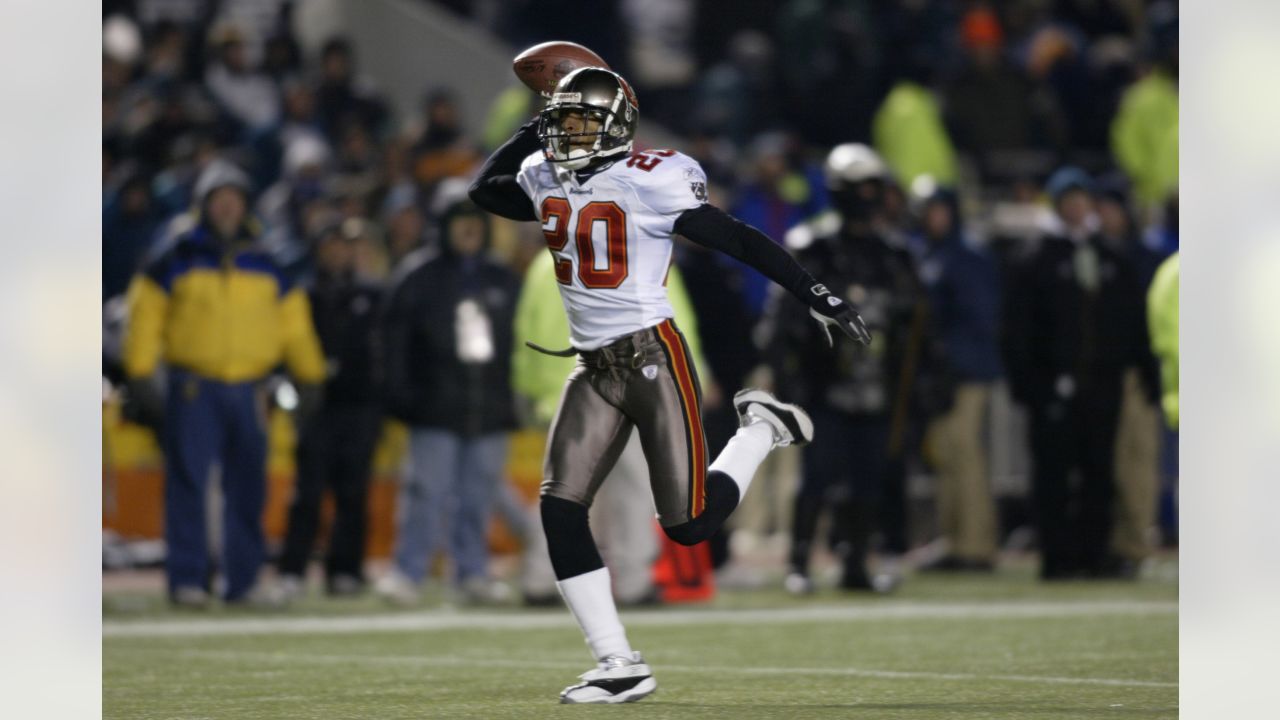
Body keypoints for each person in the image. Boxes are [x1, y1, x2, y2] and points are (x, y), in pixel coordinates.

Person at [469, 66, 870, 703]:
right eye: (561, 120)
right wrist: (529, 127)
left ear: (616, 127)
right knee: (559, 504)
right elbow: (484, 192)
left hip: (652, 357)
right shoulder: (543, 173)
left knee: (686, 525)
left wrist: (812, 293)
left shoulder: (649, 179)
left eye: (581, 121)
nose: (566, 133)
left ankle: (761, 430)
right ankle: (618, 661)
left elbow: (736, 238)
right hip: (591, 366)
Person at [121, 158, 326, 606]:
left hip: (251, 386)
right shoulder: (177, 254)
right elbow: (146, 313)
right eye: (220, 197)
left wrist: (308, 373)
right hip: (195, 384)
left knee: (249, 486)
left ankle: (243, 581)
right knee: (190, 484)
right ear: (205, 204)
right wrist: (140, 372)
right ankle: (189, 579)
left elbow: (292, 323)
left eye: (235, 197)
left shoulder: (266, 258)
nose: (229, 206)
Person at [762, 144, 930, 595]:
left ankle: (856, 561)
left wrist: (920, 385)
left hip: (878, 385)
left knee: (869, 477)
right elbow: (781, 325)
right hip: (824, 382)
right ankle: (799, 562)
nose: (871, 197)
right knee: (817, 475)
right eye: (864, 187)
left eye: (876, 187)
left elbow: (916, 327)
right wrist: (787, 383)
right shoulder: (810, 246)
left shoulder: (895, 253)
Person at [1003, 167, 1158, 580]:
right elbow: (1017, 329)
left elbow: (1132, 322)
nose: (1076, 208)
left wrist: (1145, 370)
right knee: (1053, 473)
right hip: (1051, 386)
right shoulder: (1034, 257)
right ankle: (1057, 555)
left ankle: (1094, 552)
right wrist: (1030, 386)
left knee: (1099, 472)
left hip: (1102, 383)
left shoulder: (1112, 257)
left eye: (1081, 199)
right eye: (1068, 200)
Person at [375, 196, 520, 606]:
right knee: (426, 492)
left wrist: (513, 398)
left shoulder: (501, 277)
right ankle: (408, 571)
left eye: (475, 221)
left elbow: (519, 346)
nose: (469, 229)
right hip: (433, 404)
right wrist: (401, 396)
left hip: (488, 405)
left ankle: (472, 572)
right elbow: (394, 342)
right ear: (443, 226)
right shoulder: (418, 276)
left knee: (478, 496)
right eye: (460, 221)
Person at [276, 219, 383, 598]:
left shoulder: (371, 294)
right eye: (331, 246)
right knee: (308, 493)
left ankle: (346, 570)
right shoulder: (301, 294)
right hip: (316, 405)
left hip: (359, 405)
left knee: (353, 492)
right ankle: (293, 568)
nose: (337, 253)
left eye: (343, 246)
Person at [912, 188, 1003, 572]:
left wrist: (953, 359)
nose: (935, 218)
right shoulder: (931, 254)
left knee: (964, 455)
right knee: (948, 454)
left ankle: (976, 544)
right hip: (944, 372)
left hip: (965, 373)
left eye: (940, 210)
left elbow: (981, 319)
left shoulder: (967, 256)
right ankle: (954, 541)